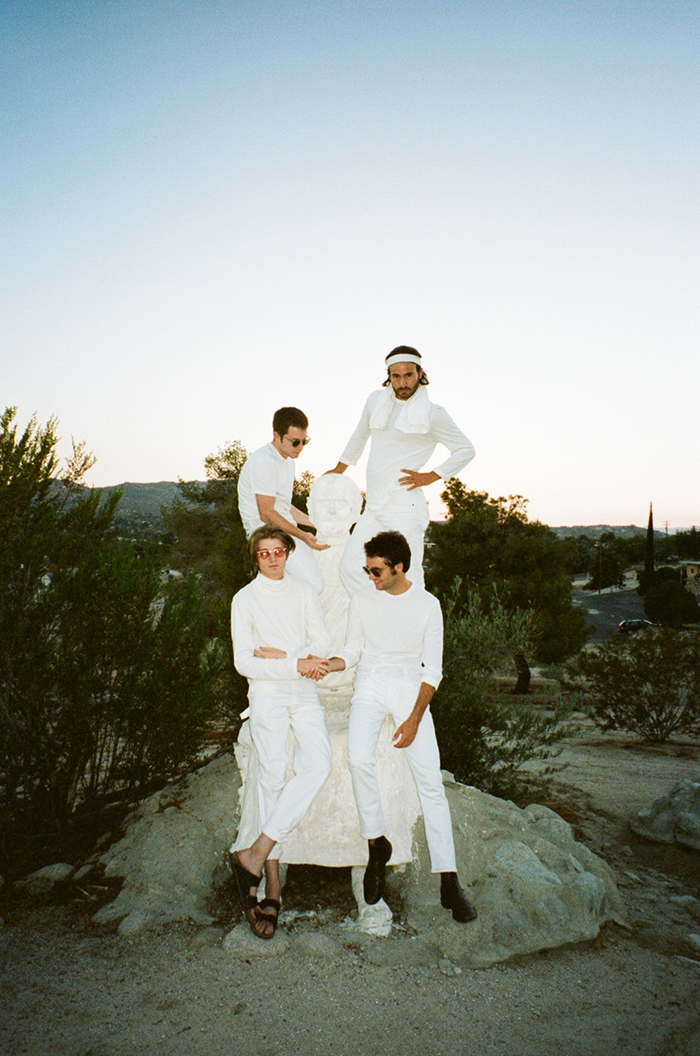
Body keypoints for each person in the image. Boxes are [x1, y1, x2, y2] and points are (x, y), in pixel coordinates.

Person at [320, 530, 477, 923]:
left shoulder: (427, 605)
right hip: (370, 684)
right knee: (358, 758)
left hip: (410, 688)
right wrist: (328, 664)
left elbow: (433, 670)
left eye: (376, 571)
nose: (370, 577)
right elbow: (352, 651)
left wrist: (414, 718)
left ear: (400, 567)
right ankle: (377, 843)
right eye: (367, 570)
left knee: (430, 783)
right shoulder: (363, 599)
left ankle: (449, 880)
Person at [229, 524, 332, 938]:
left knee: (318, 765)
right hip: (268, 694)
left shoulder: (304, 592)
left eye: (278, 551)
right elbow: (244, 662)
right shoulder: (245, 599)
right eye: (264, 552)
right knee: (271, 777)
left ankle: (254, 853)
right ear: (255, 557)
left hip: (303, 691)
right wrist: (294, 662)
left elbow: (321, 645)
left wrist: (286, 656)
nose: (272, 558)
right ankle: (273, 885)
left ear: (288, 552)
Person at [326, 346, 475, 595]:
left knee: (409, 575)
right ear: (389, 376)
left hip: (405, 506)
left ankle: (415, 619)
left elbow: (465, 449)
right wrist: (339, 468)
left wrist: (432, 476)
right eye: (396, 376)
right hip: (373, 505)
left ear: (420, 373)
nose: (403, 382)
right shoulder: (375, 401)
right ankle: (380, 612)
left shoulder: (433, 414)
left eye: (408, 375)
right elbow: (360, 434)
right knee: (350, 568)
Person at [238, 406, 328, 593]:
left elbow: (285, 507)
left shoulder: (288, 462)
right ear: (276, 436)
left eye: (304, 441)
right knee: (314, 585)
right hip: (264, 534)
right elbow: (266, 514)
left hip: (282, 531)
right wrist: (302, 535)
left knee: (321, 576)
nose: (300, 447)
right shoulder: (264, 461)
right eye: (295, 442)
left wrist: (317, 523)